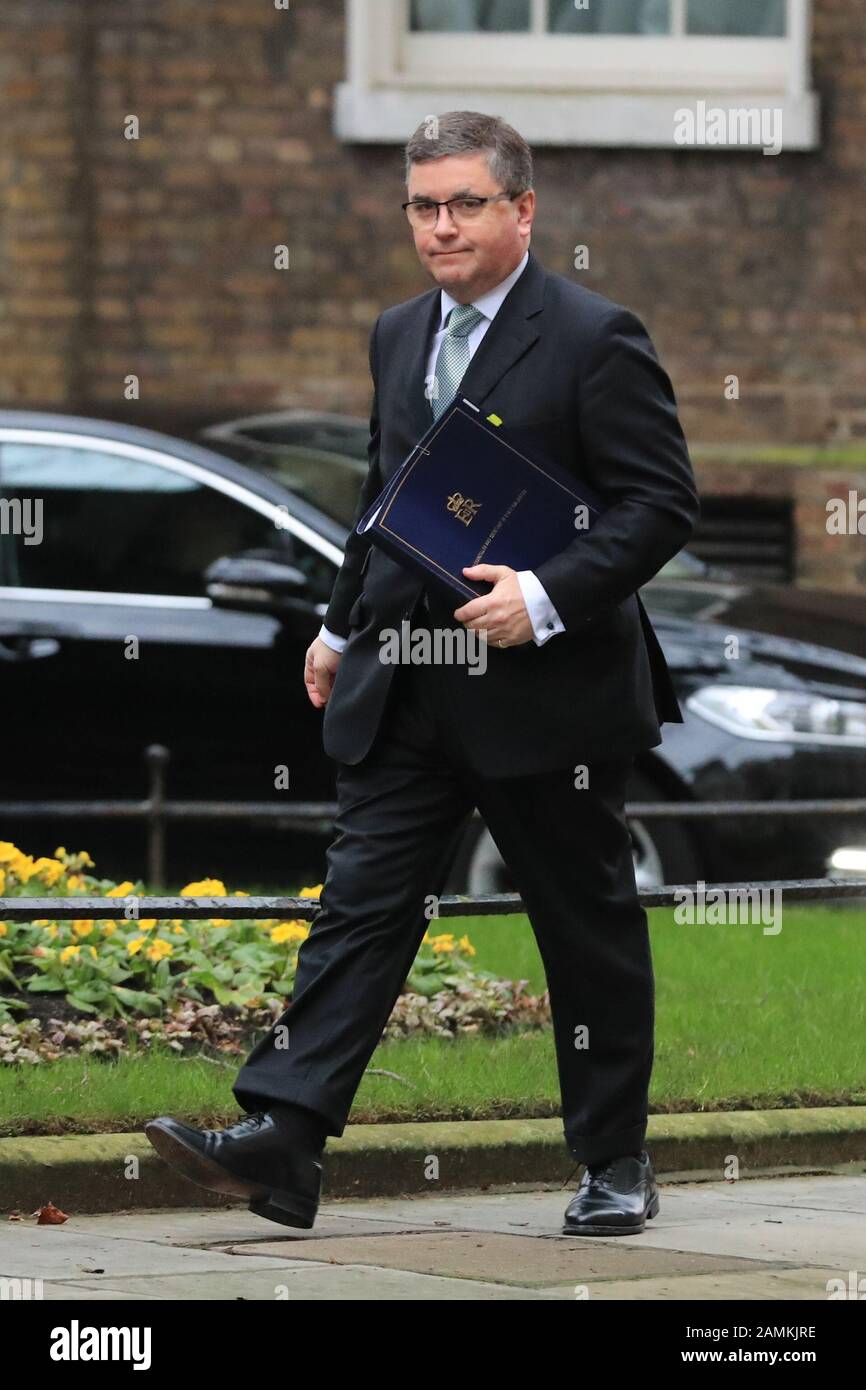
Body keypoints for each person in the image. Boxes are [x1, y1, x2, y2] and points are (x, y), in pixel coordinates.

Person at [146, 109, 700, 1237]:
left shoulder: (595, 337)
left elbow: (660, 504)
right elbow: (381, 502)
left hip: (548, 697)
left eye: (465, 204)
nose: (440, 227)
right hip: (404, 679)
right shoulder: (398, 334)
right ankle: (284, 1142)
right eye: (422, 206)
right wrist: (340, 627)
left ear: (522, 209)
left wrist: (542, 596)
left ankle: (615, 1161)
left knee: (583, 927)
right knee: (358, 908)